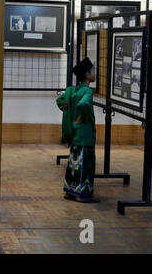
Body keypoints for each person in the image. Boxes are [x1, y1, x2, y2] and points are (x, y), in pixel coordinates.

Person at [56, 57, 100, 203]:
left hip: (74, 134)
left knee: (73, 164)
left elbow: (60, 101)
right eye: (93, 71)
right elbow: (83, 104)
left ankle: (70, 192)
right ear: (87, 75)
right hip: (85, 135)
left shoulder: (72, 90)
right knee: (85, 164)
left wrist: (69, 112)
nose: (95, 74)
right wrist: (80, 117)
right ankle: (82, 194)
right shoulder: (87, 91)